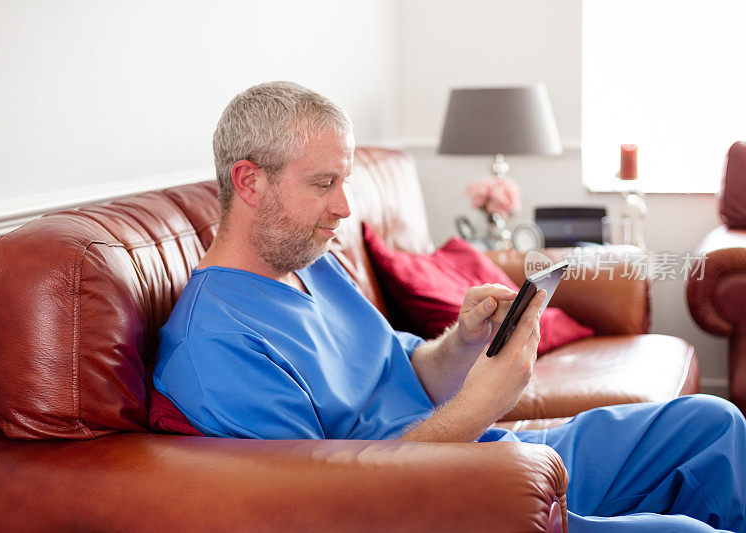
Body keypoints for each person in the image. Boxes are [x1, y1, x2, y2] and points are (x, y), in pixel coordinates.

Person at [153, 81, 746, 532]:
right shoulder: (215, 346)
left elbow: (402, 372)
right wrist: (485, 400)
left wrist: (461, 342)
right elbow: (340, 502)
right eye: (323, 184)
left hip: (492, 455)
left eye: (347, 182)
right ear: (250, 183)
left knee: (714, 422)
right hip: (465, 496)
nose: (344, 208)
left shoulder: (314, 266)